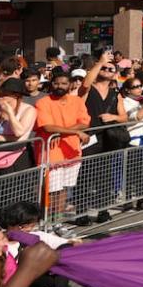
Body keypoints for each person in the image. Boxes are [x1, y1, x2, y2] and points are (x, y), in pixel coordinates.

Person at [34, 69, 90, 219]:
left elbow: (84, 123)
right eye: (56, 83)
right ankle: (47, 221)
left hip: (72, 151)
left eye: (64, 83)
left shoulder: (77, 101)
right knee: (52, 190)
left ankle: (57, 221)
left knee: (64, 188)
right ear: (51, 84)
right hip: (51, 153)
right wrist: (75, 132)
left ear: (70, 85)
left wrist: (63, 133)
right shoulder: (43, 102)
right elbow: (47, 127)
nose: (60, 86)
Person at [0, 78, 36, 178]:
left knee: (12, 190)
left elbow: (19, 133)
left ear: (16, 96)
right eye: (0, 94)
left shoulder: (28, 109)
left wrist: (10, 113)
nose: (0, 98)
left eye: (4, 95)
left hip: (15, 156)